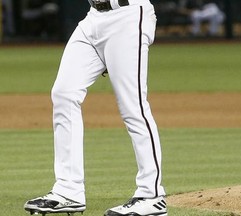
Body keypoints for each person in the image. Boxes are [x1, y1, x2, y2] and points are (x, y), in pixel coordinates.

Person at [23, 0, 167, 216]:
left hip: (127, 15)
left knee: (133, 106)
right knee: (64, 93)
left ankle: (151, 195)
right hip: (93, 18)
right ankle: (68, 190)